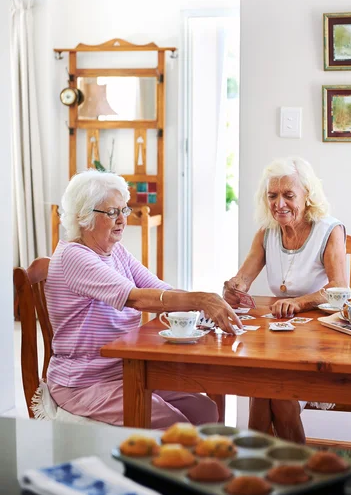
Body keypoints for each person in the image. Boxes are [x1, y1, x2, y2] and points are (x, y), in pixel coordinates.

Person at [46, 169, 242, 427]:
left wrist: (215, 303)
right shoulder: (75, 256)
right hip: (84, 382)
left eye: (124, 210)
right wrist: (202, 301)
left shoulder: (115, 252)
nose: (122, 220)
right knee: (177, 427)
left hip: (124, 370)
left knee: (205, 410)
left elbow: (161, 290)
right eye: (112, 212)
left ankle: (195, 466)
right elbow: (136, 298)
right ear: (84, 217)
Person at [223, 156, 347, 443]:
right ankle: (279, 472)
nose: (279, 204)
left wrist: (300, 302)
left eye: (288, 195)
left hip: (320, 342)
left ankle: (265, 469)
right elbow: (243, 278)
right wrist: (233, 288)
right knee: (264, 386)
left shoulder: (329, 230)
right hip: (278, 339)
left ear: (308, 196)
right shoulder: (266, 233)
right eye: (272, 196)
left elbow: (340, 289)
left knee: (274, 391)